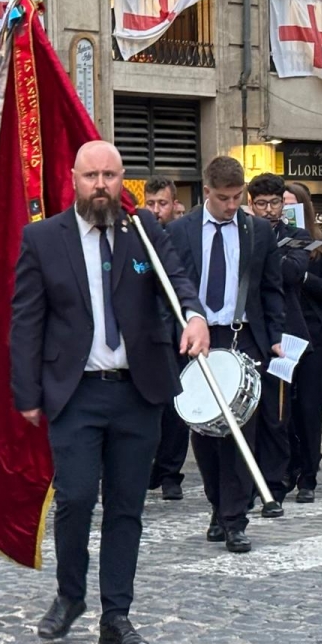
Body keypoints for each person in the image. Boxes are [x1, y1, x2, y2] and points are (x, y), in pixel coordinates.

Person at [12, 141, 208, 644]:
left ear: (125, 181)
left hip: (136, 392)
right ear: (73, 179)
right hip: (73, 394)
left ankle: (116, 615)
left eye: (110, 175)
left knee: (126, 507)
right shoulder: (42, 239)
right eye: (91, 175)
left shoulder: (146, 231)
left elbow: (179, 283)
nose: (101, 185)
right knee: (75, 498)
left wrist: (195, 314)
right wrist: (26, 391)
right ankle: (69, 595)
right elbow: (26, 321)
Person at [165, 157, 285, 552]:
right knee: (203, 430)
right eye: (223, 198)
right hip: (199, 336)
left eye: (237, 197)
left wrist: (275, 336)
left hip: (243, 335)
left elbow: (271, 288)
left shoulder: (258, 231)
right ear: (206, 192)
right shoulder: (180, 231)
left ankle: (235, 519)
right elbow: (171, 288)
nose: (232, 205)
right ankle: (218, 506)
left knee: (241, 432)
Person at [247, 173, 310, 505]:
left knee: (278, 411)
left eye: (274, 203)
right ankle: (249, 478)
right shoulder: (242, 234)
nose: (269, 210)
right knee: (250, 411)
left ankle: (276, 480)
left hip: (285, 335)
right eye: (262, 204)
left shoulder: (297, 236)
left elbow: (291, 273)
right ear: (250, 204)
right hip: (249, 333)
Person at [282, 182, 322, 502]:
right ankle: (289, 464)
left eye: (291, 204)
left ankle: (309, 474)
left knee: (308, 405)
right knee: (282, 405)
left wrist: (301, 274)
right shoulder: (271, 239)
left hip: (313, 330)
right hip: (283, 329)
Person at [143, 176, 190, 501]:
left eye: (162, 203)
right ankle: (150, 468)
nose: (156, 210)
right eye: (151, 203)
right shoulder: (135, 236)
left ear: (174, 205)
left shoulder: (183, 237)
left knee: (177, 409)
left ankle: (171, 472)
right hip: (145, 333)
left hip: (178, 333)